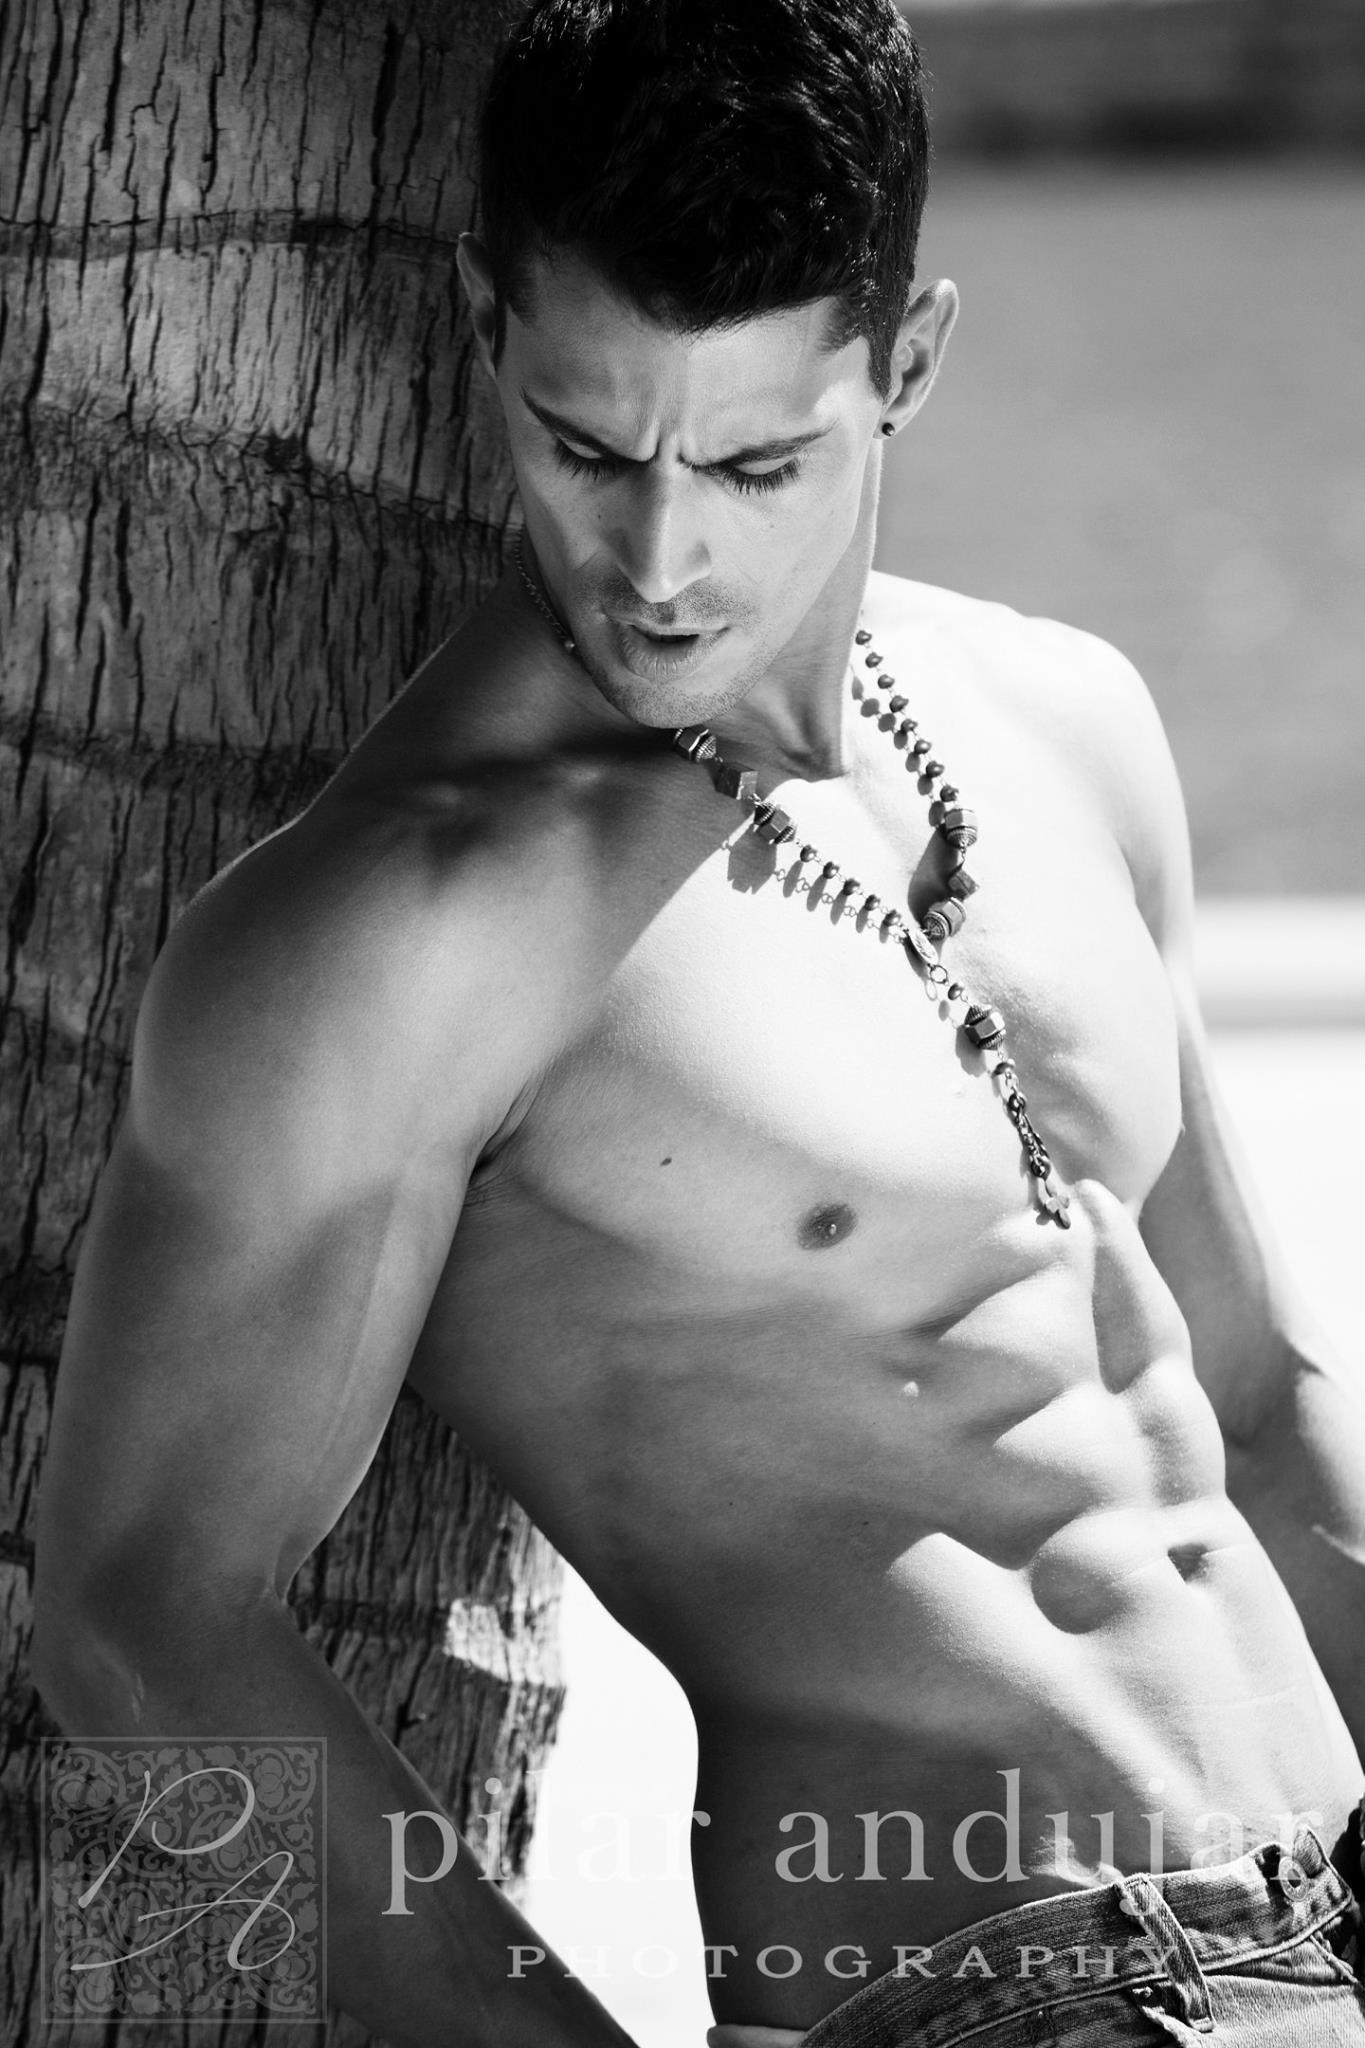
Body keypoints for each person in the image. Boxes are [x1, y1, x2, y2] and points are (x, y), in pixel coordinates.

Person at [31, 0, 1365, 2042]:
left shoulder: (1064, 719)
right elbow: (141, 1615)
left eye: (755, 461)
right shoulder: (411, 918)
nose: (657, 557)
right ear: (483, 327)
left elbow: (1254, 1402)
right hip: (989, 1985)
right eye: (586, 447)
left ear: (905, 366)